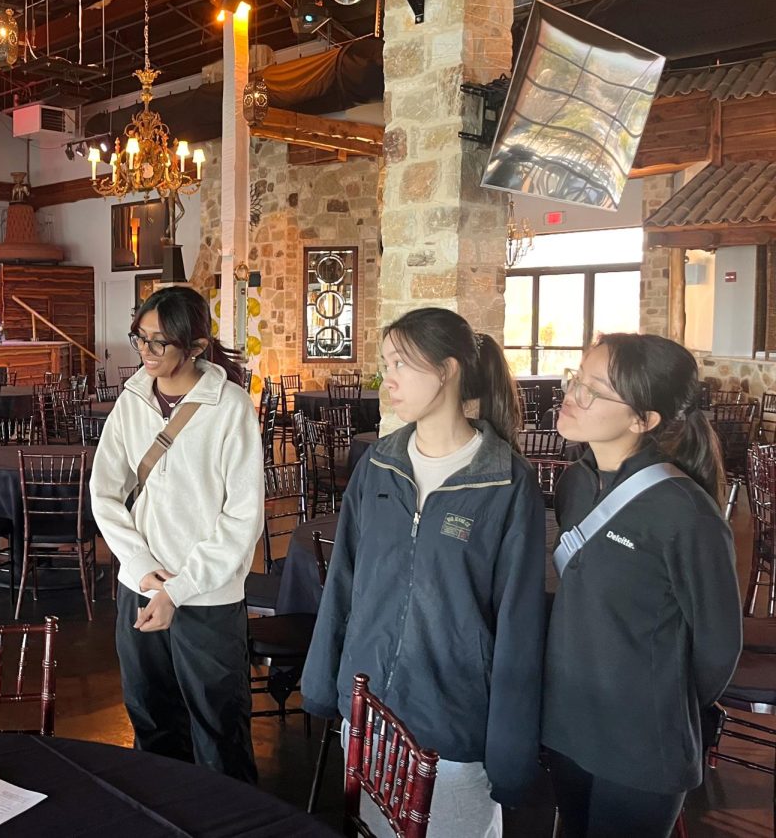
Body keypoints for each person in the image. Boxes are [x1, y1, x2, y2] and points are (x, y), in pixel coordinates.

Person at [302, 307, 547, 837]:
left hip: (452, 727)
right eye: (385, 362)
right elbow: (343, 581)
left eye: (401, 363)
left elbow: (519, 627)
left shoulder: (504, 482)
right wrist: (325, 683)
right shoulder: (379, 463)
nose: (386, 378)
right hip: (367, 720)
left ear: (449, 370)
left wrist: (509, 753)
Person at [544, 334, 742, 838]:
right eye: (576, 379)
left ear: (643, 419)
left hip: (641, 744)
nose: (572, 395)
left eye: (594, 390)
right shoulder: (575, 484)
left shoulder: (683, 512)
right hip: (566, 726)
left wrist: (655, 697)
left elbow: (717, 648)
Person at [89, 286, 264, 783]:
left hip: (207, 599)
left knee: (219, 731)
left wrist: (179, 589)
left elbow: (242, 519)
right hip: (140, 592)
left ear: (195, 346)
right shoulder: (131, 401)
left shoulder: (229, 407)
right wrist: (144, 572)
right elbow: (104, 493)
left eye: (158, 343)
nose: (144, 353)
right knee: (152, 723)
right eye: (139, 339)